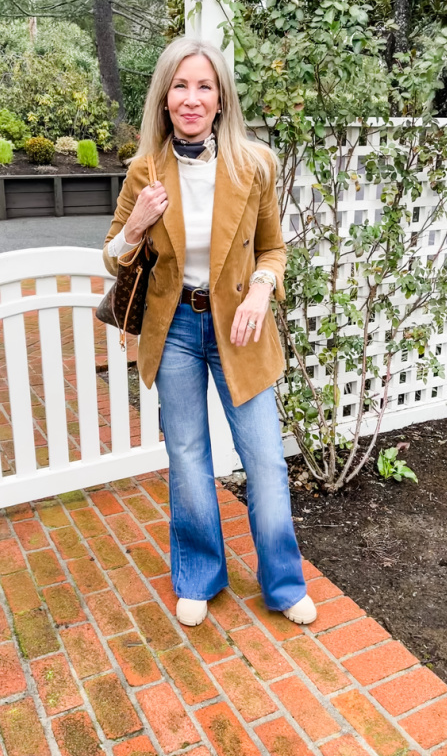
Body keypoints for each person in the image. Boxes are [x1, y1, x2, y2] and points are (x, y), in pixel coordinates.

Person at [103, 37, 316, 627]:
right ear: (165, 98)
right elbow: (112, 255)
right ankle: (197, 576)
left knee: (265, 459)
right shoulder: (145, 170)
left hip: (239, 328)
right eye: (180, 86)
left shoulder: (254, 164)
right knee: (188, 455)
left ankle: (283, 582)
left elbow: (273, 249)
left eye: (204, 86)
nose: (191, 98)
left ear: (221, 99)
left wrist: (261, 290)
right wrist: (136, 226)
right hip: (173, 327)